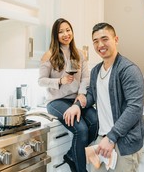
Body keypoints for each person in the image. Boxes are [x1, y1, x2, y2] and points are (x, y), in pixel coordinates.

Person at [38, 18, 98, 172]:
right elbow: (41, 81)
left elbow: (85, 78)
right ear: (55, 35)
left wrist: (81, 95)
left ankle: (72, 154)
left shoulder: (79, 54)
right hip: (56, 101)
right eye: (61, 31)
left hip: (76, 100)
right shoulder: (49, 55)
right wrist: (60, 80)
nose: (65, 34)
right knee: (82, 129)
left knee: (96, 123)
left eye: (68, 30)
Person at [85, 22, 144, 172]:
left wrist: (111, 137)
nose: (100, 44)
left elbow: (135, 108)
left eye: (105, 39)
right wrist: (77, 105)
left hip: (122, 143)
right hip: (102, 139)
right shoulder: (95, 71)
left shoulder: (128, 70)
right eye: (95, 41)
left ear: (116, 39)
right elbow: (92, 95)